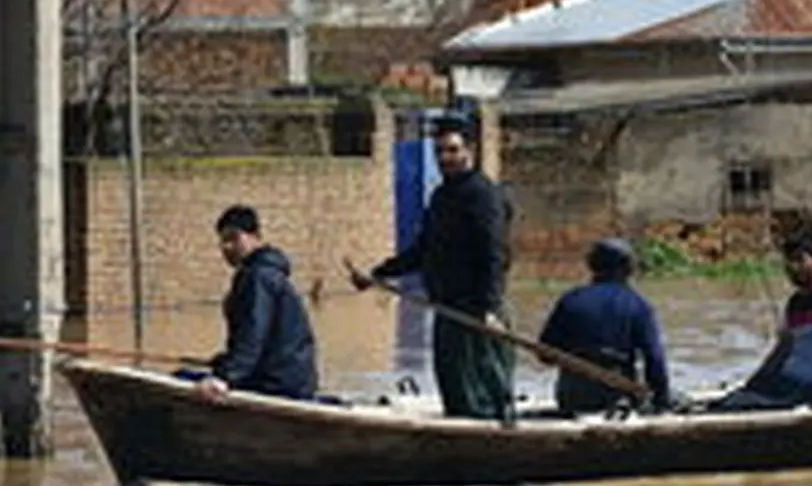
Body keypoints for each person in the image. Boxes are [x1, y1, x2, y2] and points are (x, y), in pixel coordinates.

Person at [351, 115, 514, 420]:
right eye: (439, 152)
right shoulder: (441, 197)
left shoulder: (483, 195)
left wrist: (490, 308)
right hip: (447, 310)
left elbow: (494, 254)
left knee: (484, 394)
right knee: (454, 389)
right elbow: (423, 250)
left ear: (470, 150)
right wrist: (379, 274)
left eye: (452, 150)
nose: (445, 158)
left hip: (476, 313)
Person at [710, 231, 812, 412]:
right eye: (789, 262)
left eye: (800, 260)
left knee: (749, 406)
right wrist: (754, 382)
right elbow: (782, 350)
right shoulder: (794, 304)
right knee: (730, 403)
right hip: (789, 380)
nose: (793, 267)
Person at [182, 205, 319, 402]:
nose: (226, 247)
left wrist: (226, 378)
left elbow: (253, 333)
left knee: (183, 377)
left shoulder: (259, 277)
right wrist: (224, 363)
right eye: (222, 241)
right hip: (288, 378)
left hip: (278, 382)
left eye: (233, 238)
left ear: (255, 236)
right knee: (186, 374)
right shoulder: (261, 273)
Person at [536, 238, 682, 416]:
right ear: (629, 269)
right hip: (617, 395)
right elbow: (655, 360)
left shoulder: (570, 300)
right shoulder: (638, 306)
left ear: (592, 266)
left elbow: (544, 354)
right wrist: (662, 402)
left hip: (572, 395)